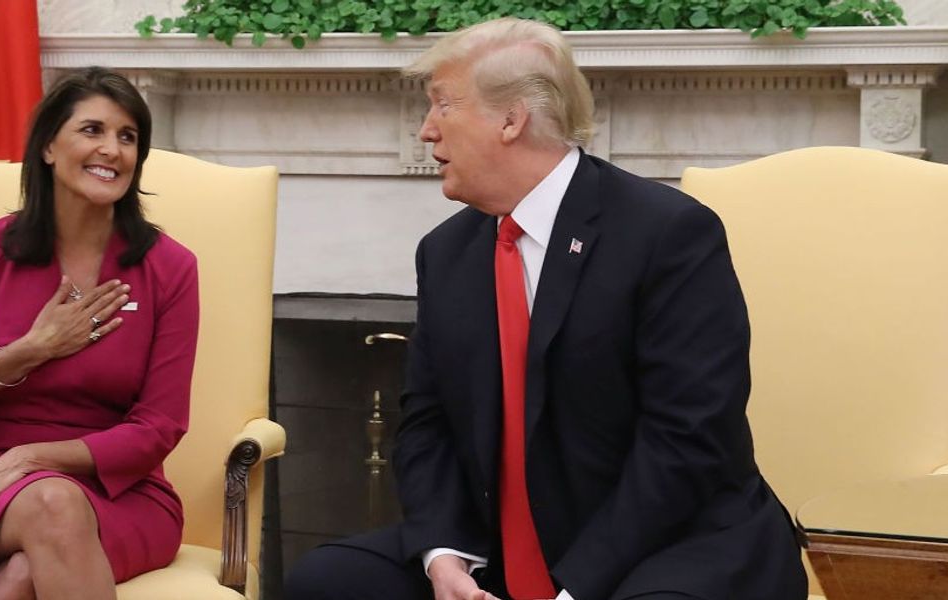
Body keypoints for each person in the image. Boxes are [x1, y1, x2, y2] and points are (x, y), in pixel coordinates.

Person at [285, 17, 806, 600]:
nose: (426, 131)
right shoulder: (446, 253)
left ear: (512, 120)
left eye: (442, 106)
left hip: (666, 540)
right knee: (326, 582)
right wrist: (444, 555)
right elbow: (426, 422)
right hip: (499, 544)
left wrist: (574, 589)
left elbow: (687, 440)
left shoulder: (668, 233)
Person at [0, 67, 199, 600]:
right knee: (51, 506)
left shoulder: (170, 267)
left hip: (125, 495)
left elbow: (159, 428)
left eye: (128, 137)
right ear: (49, 148)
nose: (113, 149)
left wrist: (32, 458)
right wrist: (25, 354)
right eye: (92, 130)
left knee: (26, 565)